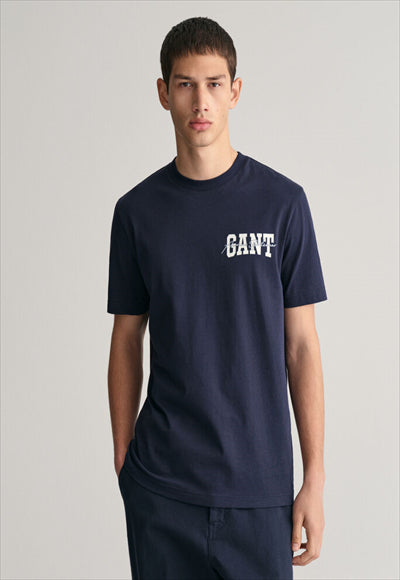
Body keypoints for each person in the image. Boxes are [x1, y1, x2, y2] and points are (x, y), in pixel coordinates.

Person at [107, 16, 327, 580]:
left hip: (260, 492)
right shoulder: (136, 213)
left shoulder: (283, 204)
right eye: (185, 84)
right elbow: (126, 337)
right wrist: (124, 459)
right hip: (162, 488)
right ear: (164, 93)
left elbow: (301, 346)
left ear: (235, 91)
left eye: (213, 83)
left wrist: (314, 477)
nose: (200, 101)